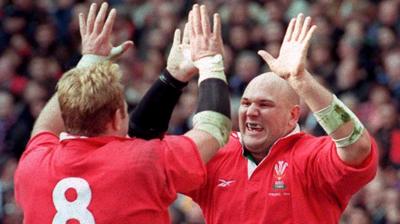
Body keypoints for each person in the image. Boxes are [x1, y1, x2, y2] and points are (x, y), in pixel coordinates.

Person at [132, 13, 378, 223]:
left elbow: (357, 145)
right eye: (247, 103)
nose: (250, 111)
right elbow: (144, 148)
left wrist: (302, 82)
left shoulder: (312, 157)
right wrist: (172, 78)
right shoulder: (218, 152)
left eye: (264, 104)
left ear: (292, 115)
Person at [14, 3, 231, 223]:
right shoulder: (143, 162)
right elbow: (213, 129)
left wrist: (89, 60)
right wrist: (210, 61)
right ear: (117, 117)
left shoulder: (34, 165)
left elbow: (44, 127)